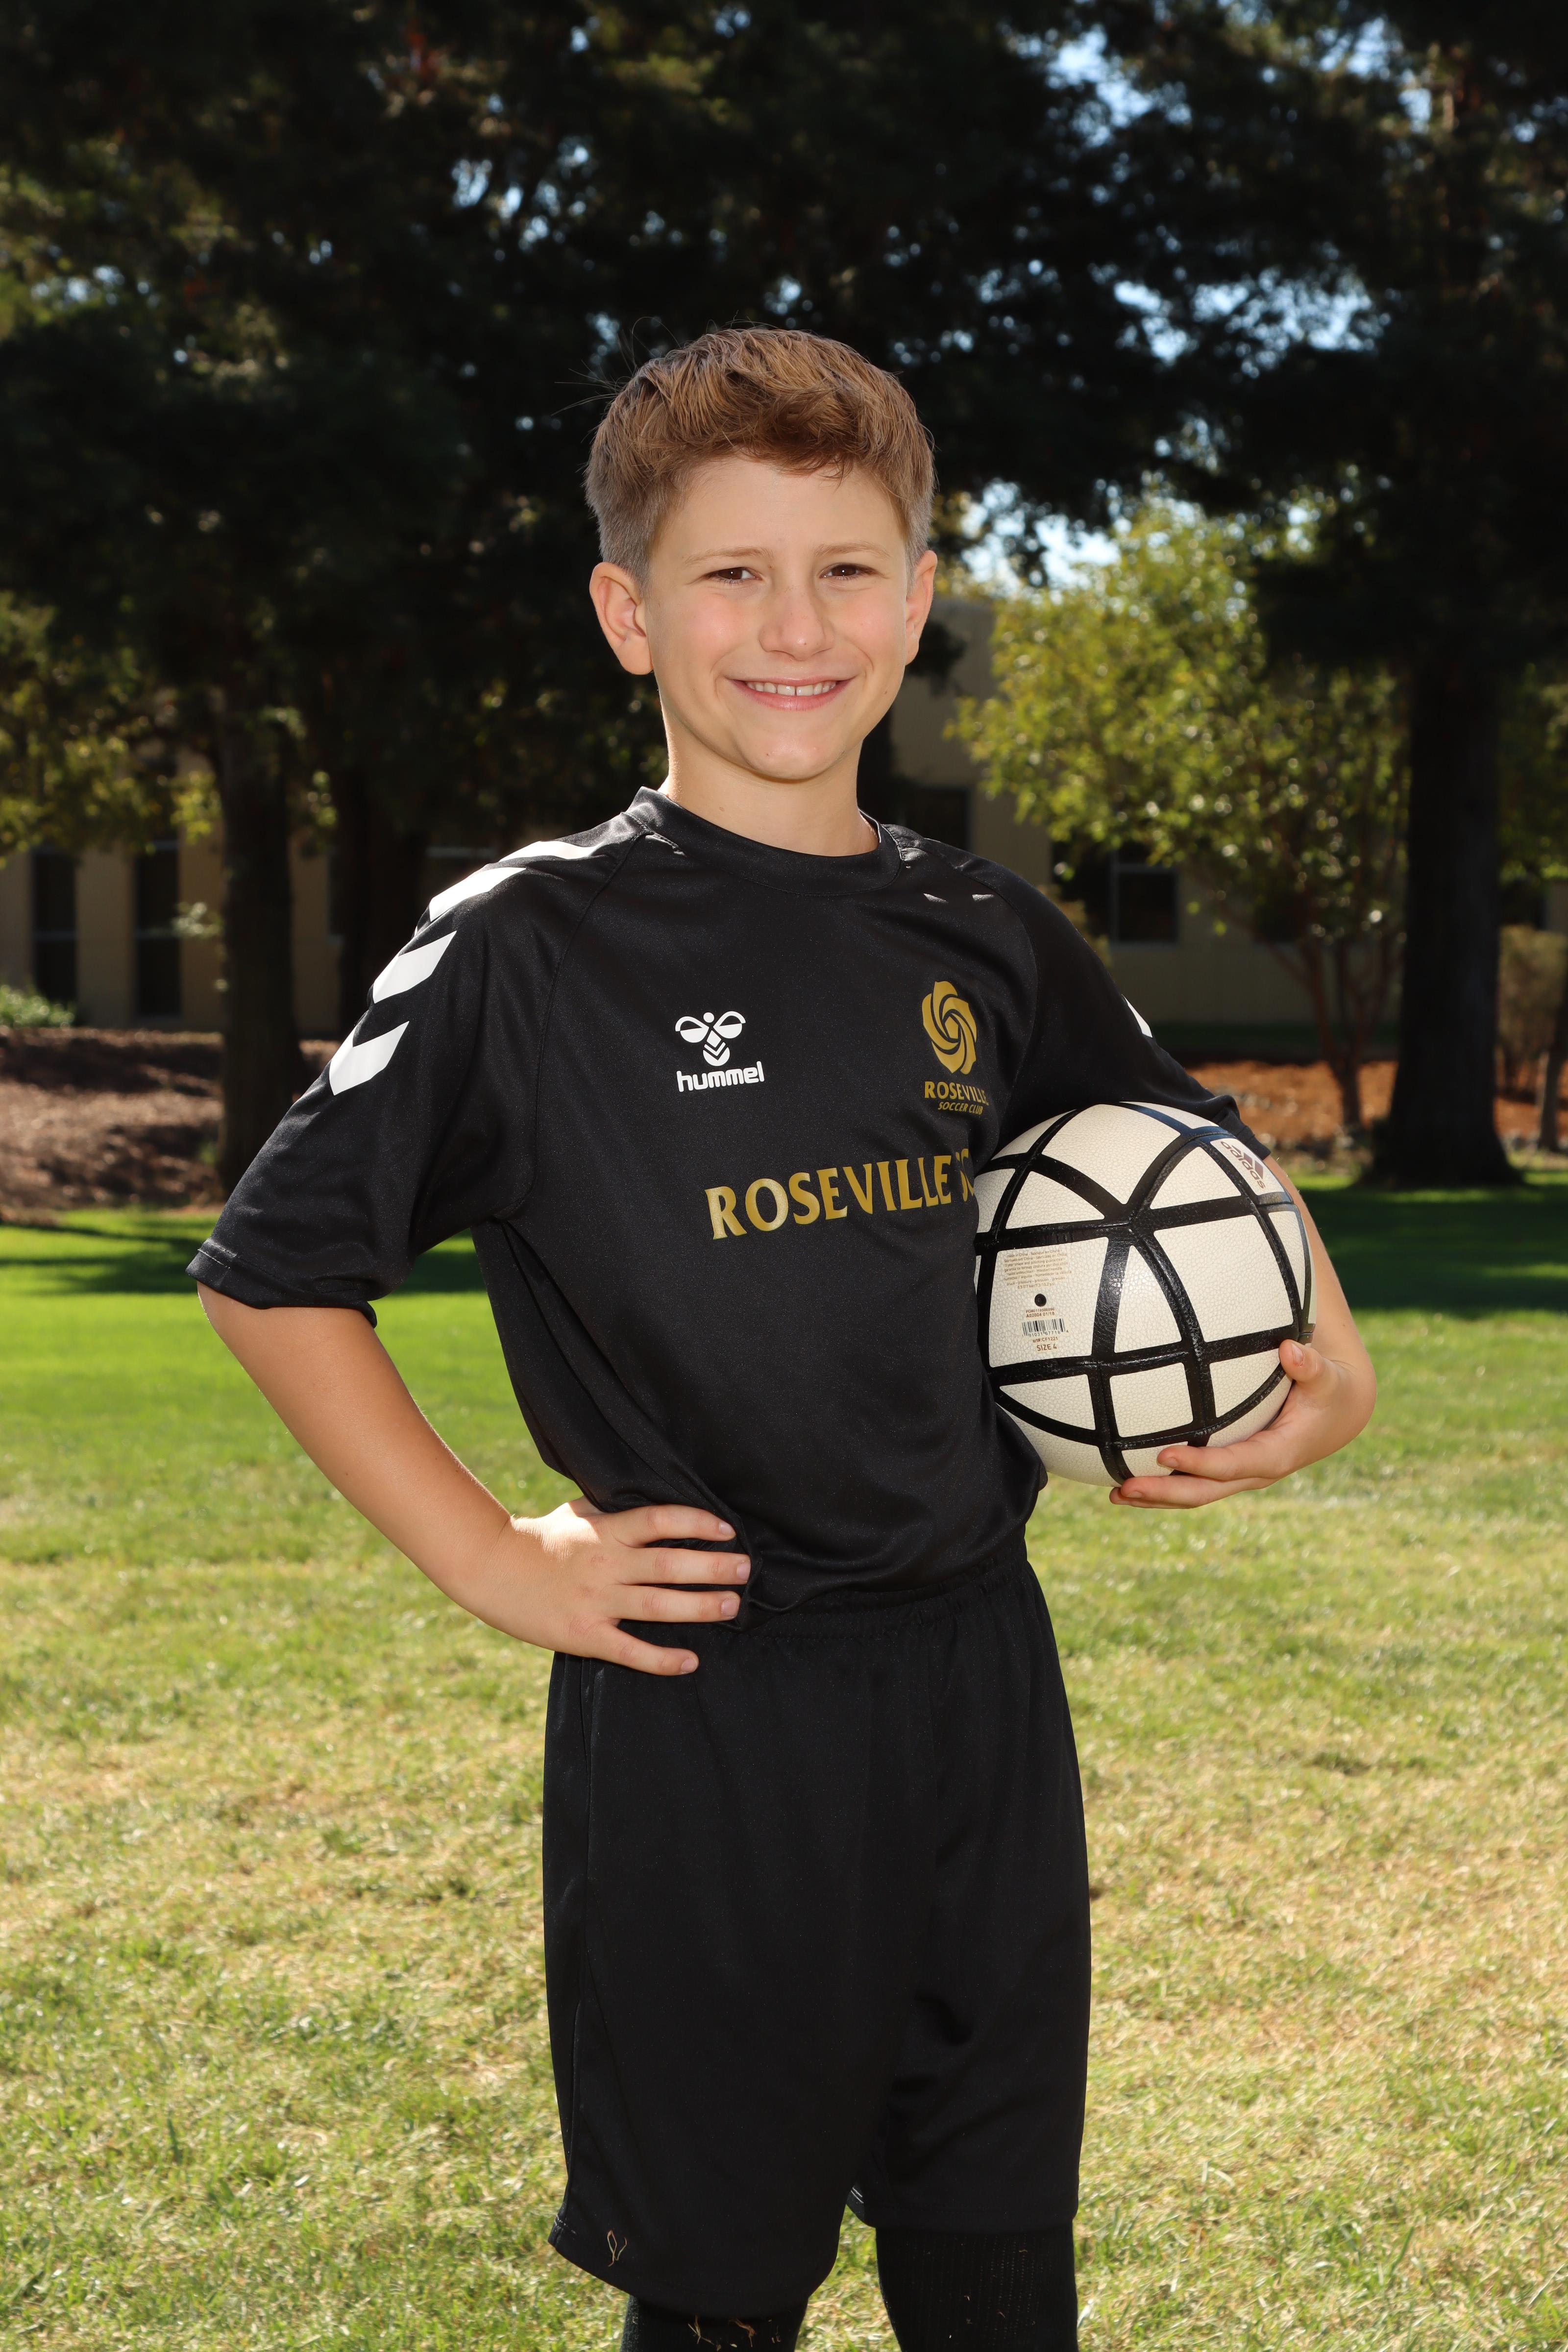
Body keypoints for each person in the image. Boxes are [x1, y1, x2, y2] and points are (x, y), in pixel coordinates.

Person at [191, 327, 1375, 2351]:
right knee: (725, 2293)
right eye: (731, 574)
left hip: (980, 1677)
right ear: (628, 615)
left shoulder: (983, 931)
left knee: (995, 2262)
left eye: (844, 571)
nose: (794, 627)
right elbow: (273, 1267)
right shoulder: (530, 941)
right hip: (708, 1700)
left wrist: (1331, 1369)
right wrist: (490, 1558)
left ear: (916, 602)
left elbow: (1191, 1151)